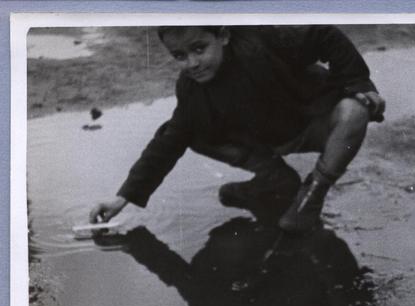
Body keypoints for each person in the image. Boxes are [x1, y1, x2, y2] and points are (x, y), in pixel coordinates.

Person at [89, 25, 385, 232]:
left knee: (355, 111)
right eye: (180, 56)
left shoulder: (262, 40)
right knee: (185, 130)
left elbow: (325, 35)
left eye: (199, 48)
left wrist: (356, 82)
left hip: (313, 123)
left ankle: (312, 194)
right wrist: (123, 196)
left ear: (224, 36)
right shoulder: (191, 89)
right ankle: (276, 179)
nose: (192, 63)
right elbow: (168, 142)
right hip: (265, 143)